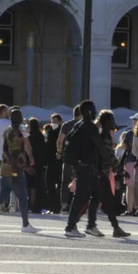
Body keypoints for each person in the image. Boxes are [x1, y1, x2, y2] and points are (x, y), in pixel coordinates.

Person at [0, 108, 40, 234]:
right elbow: (22, 146)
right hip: (14, 167)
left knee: (2, 195)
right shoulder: (19, 130)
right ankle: (25, 224)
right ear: (20, 118)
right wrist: (29, 161)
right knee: (22, 196)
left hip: (4, 167)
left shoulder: (7, 130)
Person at [64, 100, 103, 238]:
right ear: (88, 111)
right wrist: (111, 161)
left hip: (81, 165)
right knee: (81, 195)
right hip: (85, 166)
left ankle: (90, 225)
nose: (95, 112)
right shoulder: (90, 126)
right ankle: (71, 226)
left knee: (95, 193)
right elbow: (99, 146)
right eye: (93, 110)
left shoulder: (78, 125)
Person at [96, 110, 131, 238]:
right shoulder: (105, 136)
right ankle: (75, 225)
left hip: (100, 172)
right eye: (112, 120)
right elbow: (108, 156)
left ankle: (115, 227)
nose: (114, 123)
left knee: (104, 199)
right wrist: (120, 170)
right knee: (90, 199)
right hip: (101, 173)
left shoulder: (102, 134)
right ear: (106, 122)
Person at [57, 105, 82, 212]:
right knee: (80, 180)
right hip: (80, 158)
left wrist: (59, 152)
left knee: (65, 181)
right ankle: (79, 205)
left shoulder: (66, 125)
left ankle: (64, 205)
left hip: (67, 157)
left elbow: (60, 141)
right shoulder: (83, 125)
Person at [45, 113, 64, 213]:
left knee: (57, 184)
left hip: (59, 162)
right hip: (52, 162)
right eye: (52, 122)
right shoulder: (51, 133)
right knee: (51, 184)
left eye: (55, 122)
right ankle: (55, 205)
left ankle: (56, 206)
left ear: (60, 122)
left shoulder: (61, 133)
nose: (53, 124)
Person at [28, 117, 47, 213]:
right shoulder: (40, 136)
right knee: (36, 185)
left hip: (29, 163)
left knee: (30, 185)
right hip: (38, 164)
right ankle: (35, 205)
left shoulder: (29, 136)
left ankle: (30, 205)